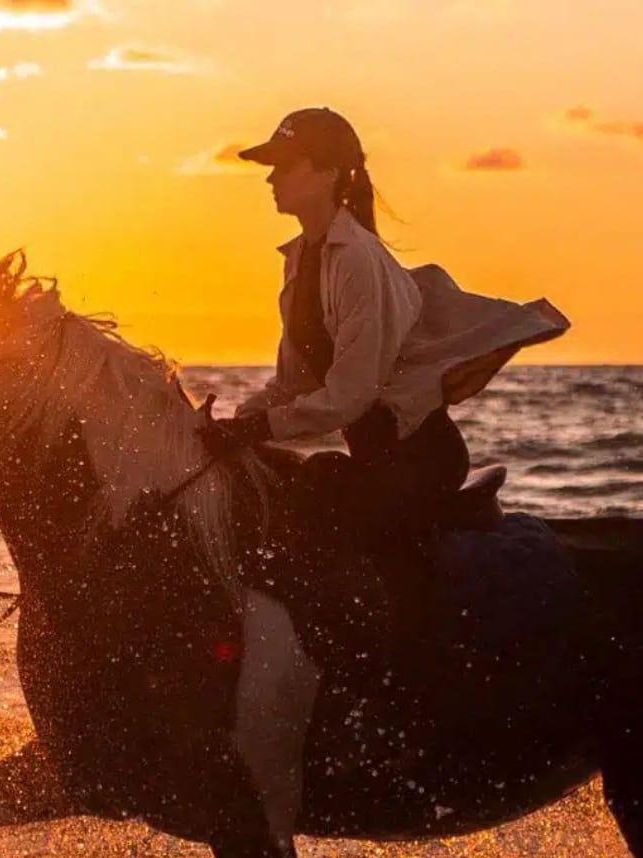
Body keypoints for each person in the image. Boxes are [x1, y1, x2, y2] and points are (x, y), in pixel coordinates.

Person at [201, 107, 475, 670]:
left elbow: (348, 397)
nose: (271, 178)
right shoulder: (301, 259)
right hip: (374, 459)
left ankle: (376, 675)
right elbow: (292, 385)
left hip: (417, 461)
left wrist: (259, 428)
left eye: (284, 165)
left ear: (327, 174)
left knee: (313, 516)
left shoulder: (358, 262)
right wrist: (234, 423)